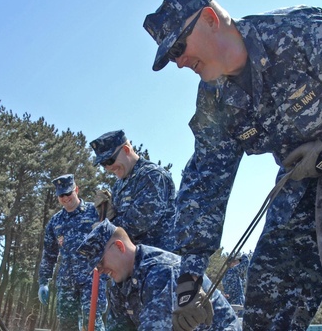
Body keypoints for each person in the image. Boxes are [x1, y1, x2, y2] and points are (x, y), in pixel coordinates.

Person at [143, 0, 322, 330]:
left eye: (179, 47)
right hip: (312, 172)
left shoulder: (298, 32)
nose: (179, 62)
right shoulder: (215, 99)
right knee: (273, 280)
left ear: (210, 18)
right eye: (171, 57)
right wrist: (188, 283)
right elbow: (204, 183)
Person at [77, 219, 241, 331]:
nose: (100, 270)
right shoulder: (119, 284)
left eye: (100, 262)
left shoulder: (161, 271)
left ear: (119, 247)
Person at [38, 174, 107, 331]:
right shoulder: (55, 222)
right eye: (61, 195)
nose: (65, 198)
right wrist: (43, 281)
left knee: (92, 325)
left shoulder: (95, 212)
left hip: (92, 279)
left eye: (68, 193)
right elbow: (49, 255)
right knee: (67, 326)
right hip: (67, 282)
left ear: (76, 189)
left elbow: (110, 241)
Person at [89, 129, 176, 251]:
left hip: (158, 260)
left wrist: (105, 228)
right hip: (132, 260)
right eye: (103, 164)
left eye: (110, 160)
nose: (108, 167)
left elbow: (139, 221)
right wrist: (105, 215)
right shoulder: (119, 184)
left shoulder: (152, 175)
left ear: (126, 149)